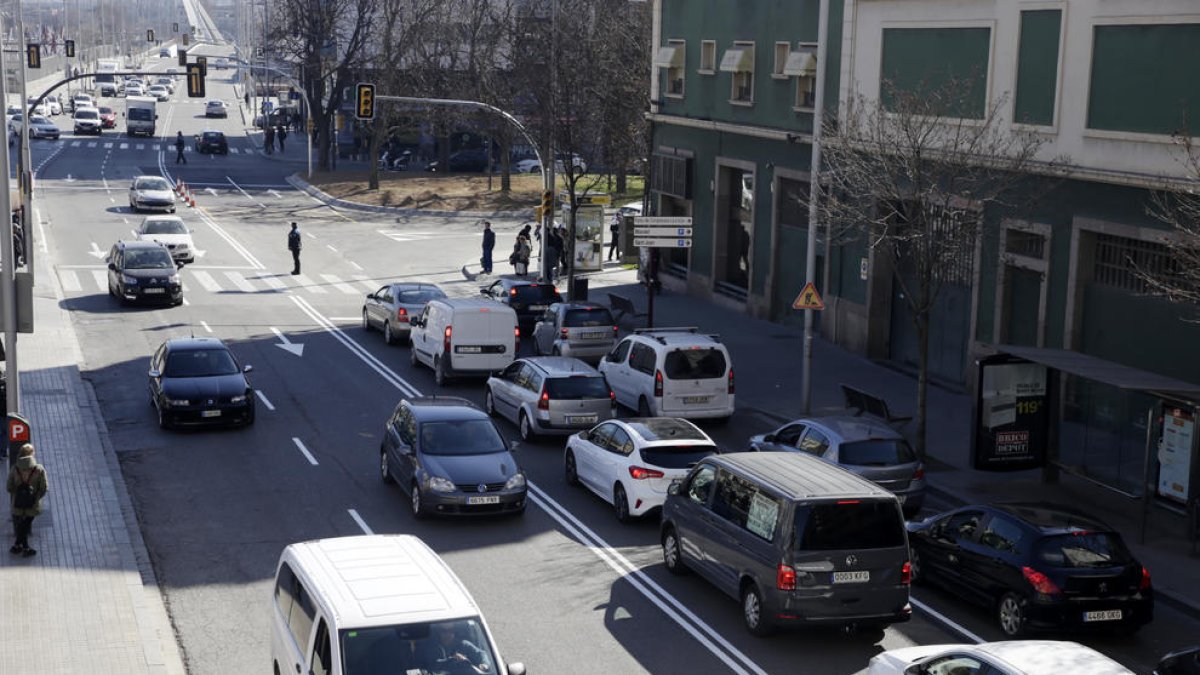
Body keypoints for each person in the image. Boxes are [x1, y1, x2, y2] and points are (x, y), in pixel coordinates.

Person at [8, 443, 48, 557]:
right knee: (25, 525)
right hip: (33, 504)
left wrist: (18, 494)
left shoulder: (15, 468)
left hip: (18, 504)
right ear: (32, 454)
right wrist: (36, 497)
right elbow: (44, 487)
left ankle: (18, 546)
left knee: (22, 525)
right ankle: (24, 547)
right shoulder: (39, 469)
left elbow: (9, 487)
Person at [418, 623, 490, 674]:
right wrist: (452, 660)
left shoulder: (464, 644)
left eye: (450, 631)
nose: (448, 634)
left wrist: (485, 664)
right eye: (444, 631)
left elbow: (481, 654)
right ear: (438, 632)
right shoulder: (431, 648)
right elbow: (432, 665)